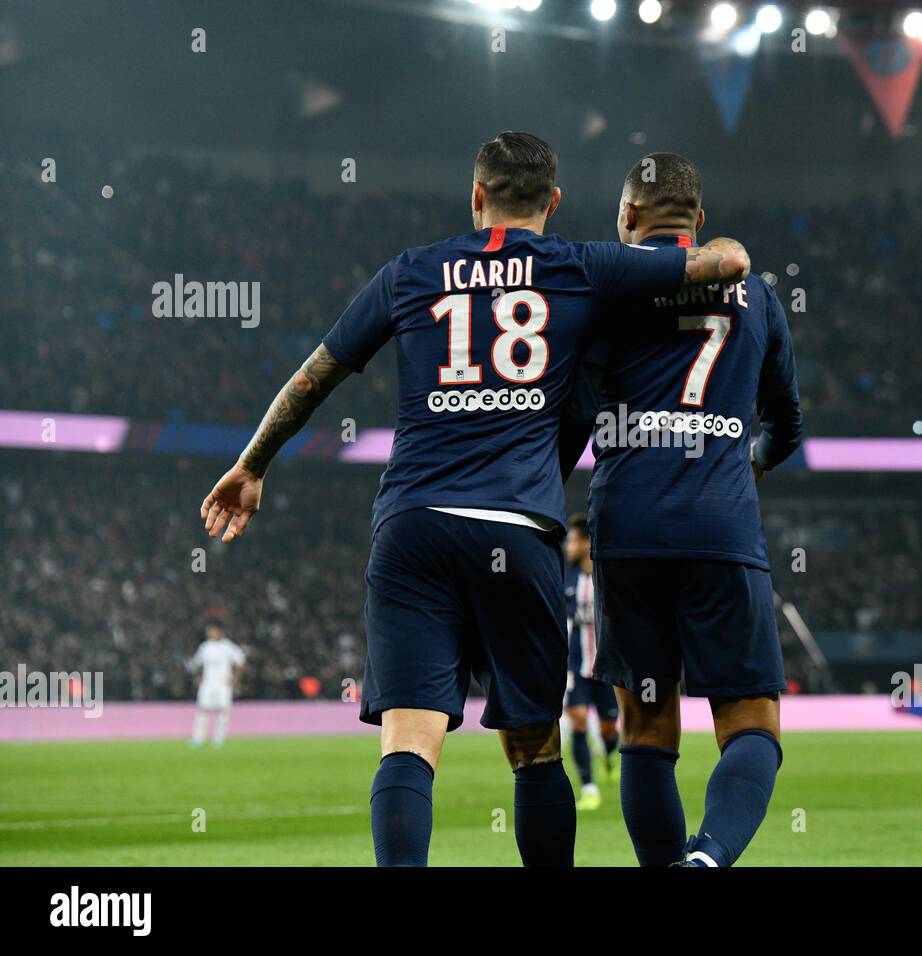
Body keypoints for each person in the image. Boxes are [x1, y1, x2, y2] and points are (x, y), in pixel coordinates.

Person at [200, 132, 751, 867]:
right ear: (554, 201)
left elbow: (317, 374)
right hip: (516, 531)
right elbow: (725, 264)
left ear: (475, 195)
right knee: (535, 750)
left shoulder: (410, 272)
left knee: (410, 742)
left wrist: (252, 464)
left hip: (413, 526)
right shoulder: (581, 267)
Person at [560, 153, 802, 866]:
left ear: (627, 219)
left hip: (626, 529)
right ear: (697, 221)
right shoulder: (756, 295)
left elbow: (574, 418)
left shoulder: (602, 298)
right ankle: (708, 858)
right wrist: (741, 461)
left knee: (645, 728)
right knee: (752, 721)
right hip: (721, 524)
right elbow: (786, 427)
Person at [562, 514, 620, 810]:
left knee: (609, 727)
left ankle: (611, 753)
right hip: (575, 665)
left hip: (606, 666)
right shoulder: (565, 576)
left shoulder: (606, 575)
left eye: (572, 540)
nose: (567, 546)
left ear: (586, 543)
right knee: (579, 720)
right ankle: (588, 787)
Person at [187, 624, 246, 748]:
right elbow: (196, 663)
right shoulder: (205, 647)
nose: (210, 633)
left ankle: (219, 739)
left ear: (219, 631)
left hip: (223, 683)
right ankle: (198, 738)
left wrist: (235, 677)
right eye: (209, 631)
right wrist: (197, 677)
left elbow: (241, 660)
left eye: (213, 631)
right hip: (208, 682)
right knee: (202, 709)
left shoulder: (227, 646)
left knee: (222, 710)